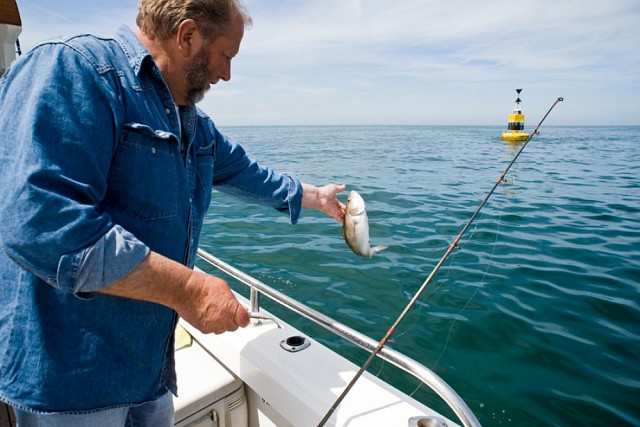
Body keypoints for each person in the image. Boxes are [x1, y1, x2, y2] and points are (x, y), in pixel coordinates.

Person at [0, 0, 346, 425]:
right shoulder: (75, 69)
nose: (227, 74)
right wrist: (190, 291)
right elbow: (41, 222)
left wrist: (316, 197)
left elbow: (249, 174)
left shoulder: (194, 124)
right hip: (72, 381)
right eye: (226, 55)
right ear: (186, 36)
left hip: (150, 372)